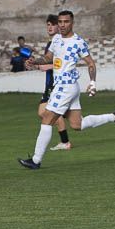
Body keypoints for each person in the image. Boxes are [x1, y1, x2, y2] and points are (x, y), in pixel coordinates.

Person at [18, 10, 115, 170]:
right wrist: (35, 61)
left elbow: (90, 63)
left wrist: (93, 82)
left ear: (72, 23)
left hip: (65, 87)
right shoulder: (56, 39)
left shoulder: (78, 42)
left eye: (66, 22)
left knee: (47, 119)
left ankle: (35, 160)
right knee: (77, 124)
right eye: (60, 22)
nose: (62, 25)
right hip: (67, 87)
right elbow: (48, 58)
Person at [25, 14, 73, 151]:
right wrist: (34, 63)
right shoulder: (50, 44)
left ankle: (65, 142)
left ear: (59, 27)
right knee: (43, 113)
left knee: (50, 113)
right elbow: (46, 62)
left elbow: (63, 64)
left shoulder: (61, 42)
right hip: (49, 84)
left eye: (53, 24)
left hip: (56, 83)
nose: (50, 27)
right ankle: (113, 117)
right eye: (48, 24)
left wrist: (46, 66)